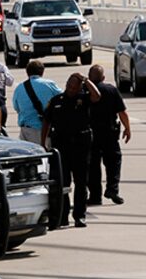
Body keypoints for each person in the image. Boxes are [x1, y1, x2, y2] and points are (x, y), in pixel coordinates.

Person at [41, 73, 101, 228]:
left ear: (80, 88)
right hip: (61, 147)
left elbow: (97, 96)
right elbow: (46, 122)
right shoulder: (57, 101)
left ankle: (80, 216)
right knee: (63, 183)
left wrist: (86, 80)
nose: (71, 89)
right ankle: (63, 216)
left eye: (74, 87)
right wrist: (43, 142)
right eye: (69, 85)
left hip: (80, 146)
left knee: (81, 183)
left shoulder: (84, 99)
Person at [87, 64, 131, 206]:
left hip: (90, 134)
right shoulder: (111, 90)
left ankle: (95, 196)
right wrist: (127, 128)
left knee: (93, 166)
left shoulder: (84, 91)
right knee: (113, 162)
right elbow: (122, 112)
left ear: (89, 78)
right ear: (103, 77)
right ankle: (112, 189)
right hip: (109, 132)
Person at [13, 60, 63, 145]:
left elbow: (16, 107)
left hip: (26, 130)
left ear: (27, 72)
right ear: (42, 72)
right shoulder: (49, 84)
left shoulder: (19, 88)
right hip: (46, 129)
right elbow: (62, 98)